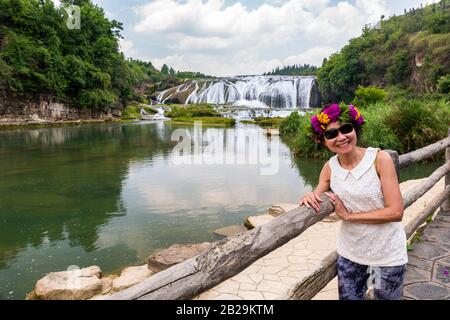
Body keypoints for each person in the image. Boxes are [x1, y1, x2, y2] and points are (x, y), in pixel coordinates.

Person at [299, 103, 408, 300]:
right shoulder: (329, 168)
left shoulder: (380, 159)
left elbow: (396, 212)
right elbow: (316, 195)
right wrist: (308, 195)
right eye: (331, 134)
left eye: (346, 129)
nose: (341, 137)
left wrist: (349, 216)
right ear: (323, 141)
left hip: (387, 254)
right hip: (350, 254)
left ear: (355, 129)